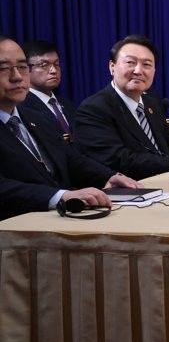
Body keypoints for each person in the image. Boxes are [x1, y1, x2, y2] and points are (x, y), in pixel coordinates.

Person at [0, 35, 141, 220]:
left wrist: (109, 176)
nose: (17, 76)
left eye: (22, 67)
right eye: (3, 68)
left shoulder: (35, 116)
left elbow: (69, 158)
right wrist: (60, 196)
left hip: (60, 219)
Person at [75, 35, 169, 180]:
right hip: (132, 187)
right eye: (131, 62)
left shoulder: (152, 101)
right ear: (112, 67)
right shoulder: (93, 109)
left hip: (167, 180)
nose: (138, 71)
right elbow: (119, 160)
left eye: (146, 65)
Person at [20, 40, 76, 141]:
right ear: (25, 68)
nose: (53, 71)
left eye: (56, 64)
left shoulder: (67, 104)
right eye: (44, 65)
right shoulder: (21, 106)